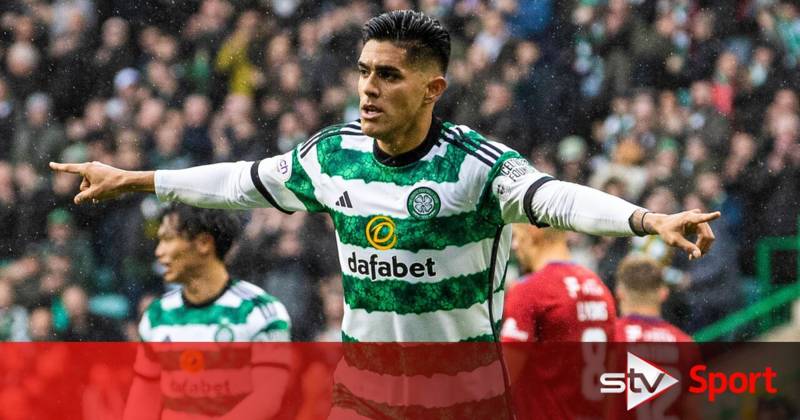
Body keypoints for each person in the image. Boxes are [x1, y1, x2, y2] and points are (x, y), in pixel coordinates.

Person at [52, 9, 719, 418]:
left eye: (389, 76)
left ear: (433, 89)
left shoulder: (476, 166)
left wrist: (648, 220)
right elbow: (241, 180)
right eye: (365, 72)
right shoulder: (333, 157)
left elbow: (557, 198)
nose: (368, 88)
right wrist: (137, 179)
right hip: (364, 395)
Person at [123, 204, 292, 420]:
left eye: (168, 239)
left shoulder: (260, 312)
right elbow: (142, 403)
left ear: (204, 243)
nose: (159, 252)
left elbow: (266, 400)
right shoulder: (157, 315)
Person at [501, 224, 616, 419]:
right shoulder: (598, 288)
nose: (514, 245)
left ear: (533, 232)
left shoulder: (531, 290)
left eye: (517, 236)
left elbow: (504, 376)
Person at [611, 254, 701, 420]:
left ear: (619, 292)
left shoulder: (609, 338)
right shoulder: (686, 345)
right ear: (663, 293)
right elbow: (693, 411)